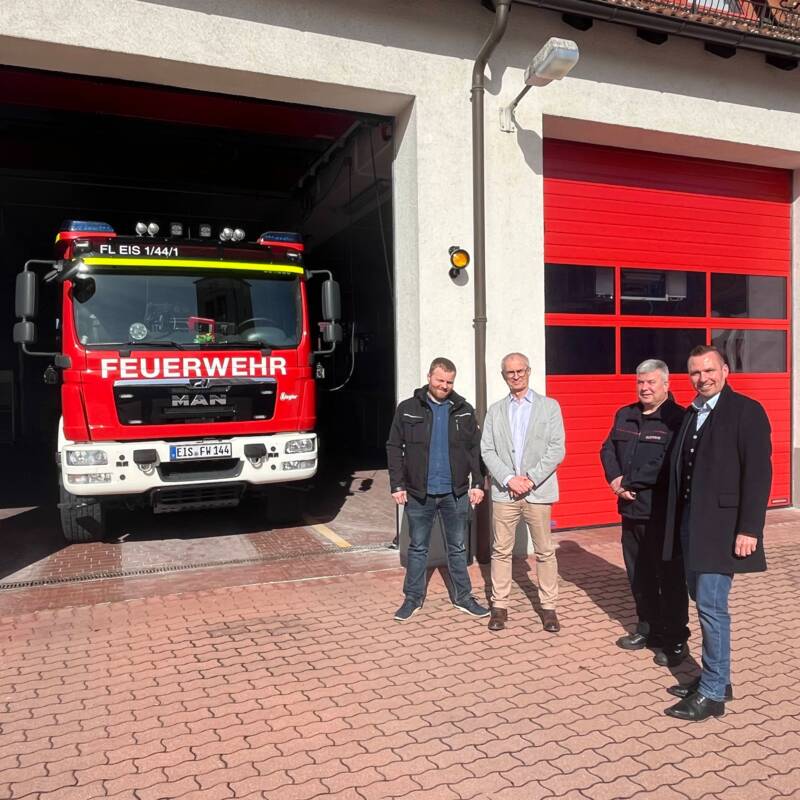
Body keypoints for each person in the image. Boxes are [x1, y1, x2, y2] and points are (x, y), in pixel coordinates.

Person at [663, 345, 771, 722]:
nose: (702, 378)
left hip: (723, 530)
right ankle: (717, 678)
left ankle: (712, 694)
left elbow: (758, 474)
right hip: (692, 524)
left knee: (711, 607)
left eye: (709, 370)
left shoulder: (746, 411)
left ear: (725, 370)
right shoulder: (691, 413)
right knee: (700, 601)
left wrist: (749, 528)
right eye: (695, 373)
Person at [600, 359, 689, 666]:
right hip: (631, 511)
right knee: (639, 575)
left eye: (651, 382)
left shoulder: (677, 419)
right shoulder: (625, 414)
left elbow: (668, 463)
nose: (645, 388)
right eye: (641, 382)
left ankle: (676, 640)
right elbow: (607, 449)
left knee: (670, 578)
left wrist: (630, 481)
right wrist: (615, 481)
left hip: (662, 515)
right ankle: (647, 628)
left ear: (666, 384)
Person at [386, 357, 489, 622]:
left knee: (457, 547)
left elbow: (475, 450)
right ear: (430, 377)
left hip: (455, 493)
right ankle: (412, 598)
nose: (444, 386)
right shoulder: (408, 408)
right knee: (418, 547)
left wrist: (478, 483)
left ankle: (464, 598)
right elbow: (394, 447)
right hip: (419, 493)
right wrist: (397, 484)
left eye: (449, 382)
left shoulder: (464, 410)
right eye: (440, 380)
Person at [480, 352, 565, 632]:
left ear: (528, 371)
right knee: (501, 550)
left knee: (544, 551)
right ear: (503, 376)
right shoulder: (495, 411)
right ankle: (500, 606)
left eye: (520, 371)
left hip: (537, 491)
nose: (515, 376)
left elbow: (557, 448)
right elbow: (487, 450)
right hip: (506, 493)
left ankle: (549, 607)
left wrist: (529, 479)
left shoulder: (549, 407)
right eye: (509, 372)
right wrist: (507, 478)